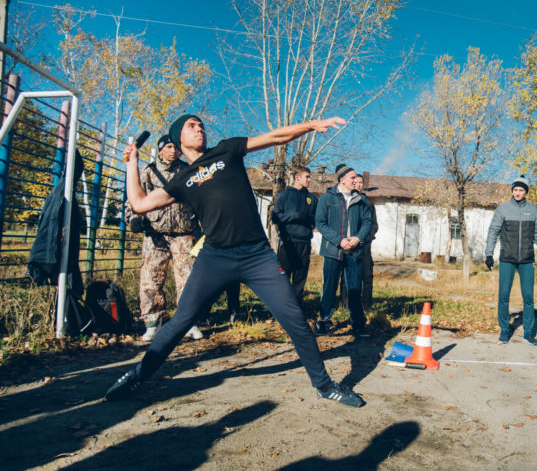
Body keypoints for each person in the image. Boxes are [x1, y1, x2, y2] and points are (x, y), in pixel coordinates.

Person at [105, 114, 365, 408]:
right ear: (179, 139)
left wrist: (311, 125)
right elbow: (139, 203)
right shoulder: (181, 180)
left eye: (201, 124)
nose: (199, 128)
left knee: (295, 319)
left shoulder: (226, 150)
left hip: (257, 255)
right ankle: (138, 375)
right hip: (215, 258)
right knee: (180, 321)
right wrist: (131, 163)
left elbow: (275, 137)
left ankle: (324, 385)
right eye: (192, 126)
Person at [125, 134, 203, 341]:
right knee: (150, 279)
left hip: (184, 233)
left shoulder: (188, 172)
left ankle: (188, 322)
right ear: (160, 150)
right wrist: (133, 217)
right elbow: (133, 197)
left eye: (175, 146)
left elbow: (201, 199)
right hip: (155, 234)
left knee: (188, 279)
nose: (173, 150)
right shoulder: (148, 172)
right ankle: (152, 323)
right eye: (168, 146)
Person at [484, 175, 537, 346]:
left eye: (521, 190)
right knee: (504, 295)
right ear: (512, 190)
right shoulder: (503, 208)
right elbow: (493, 230)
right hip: (507, 258)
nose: (518, 193)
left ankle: (528, 332)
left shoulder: (533, 210)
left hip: (527, 259)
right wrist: (488, 254)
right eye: (515, 189)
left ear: (526, 192)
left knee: (528, 297)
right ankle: (504, 329)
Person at [315, 164, 372, 337]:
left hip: (354, 252)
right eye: (353, 178)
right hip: (333, 251)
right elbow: (320, 223)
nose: (356, 181)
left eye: (356, 178)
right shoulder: (327, 198)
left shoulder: (360, 200)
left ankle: (358, 325)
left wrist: (357, 238)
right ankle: (324, 322)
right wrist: (339, 240)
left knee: (354, 289)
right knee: (329, 288)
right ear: (342, 180)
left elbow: (367, 222)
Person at [271, 166, 318, 303]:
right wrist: (296, 216)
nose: (309, 179)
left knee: (300, 278)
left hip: (304, 243)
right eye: (307, 177)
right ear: (297, 177)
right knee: (283, 278)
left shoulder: (311, 198)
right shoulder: (284, 195)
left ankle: (297, 309)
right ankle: (282, 308)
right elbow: (275, 218)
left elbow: (317, 219)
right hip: (288, 242)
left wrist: (310, 222)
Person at [353, 174, 378, 310]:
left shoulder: (368, 204)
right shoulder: (348, 201)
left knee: (367, 275)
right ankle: (345, 303)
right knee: (348, 277)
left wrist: (366, 239)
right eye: (355, 182)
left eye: (361, 183)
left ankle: (366, 304)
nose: (358, 185)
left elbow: (374, 225)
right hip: (350, 246)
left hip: (365, 246)